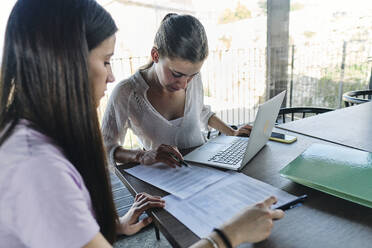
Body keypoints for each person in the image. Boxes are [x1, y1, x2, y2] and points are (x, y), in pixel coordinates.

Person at [0, 0, 284, 247]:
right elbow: (104, 150)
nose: (110, 77)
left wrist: (114, 226)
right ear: (65, 64)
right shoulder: (37, 168)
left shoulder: (33, 141)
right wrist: (227, 236)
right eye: (107, 61)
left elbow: (62, 224)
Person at [101, 13, 252, 168]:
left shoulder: (191, 80)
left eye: (192, 75)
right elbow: (105, 148)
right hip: (161, 182)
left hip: (205, 169)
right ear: (155, 55)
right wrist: (142, 155)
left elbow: (200, 111)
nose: (184, 84)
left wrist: (232, 133)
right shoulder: (126, 93)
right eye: (176, 74)